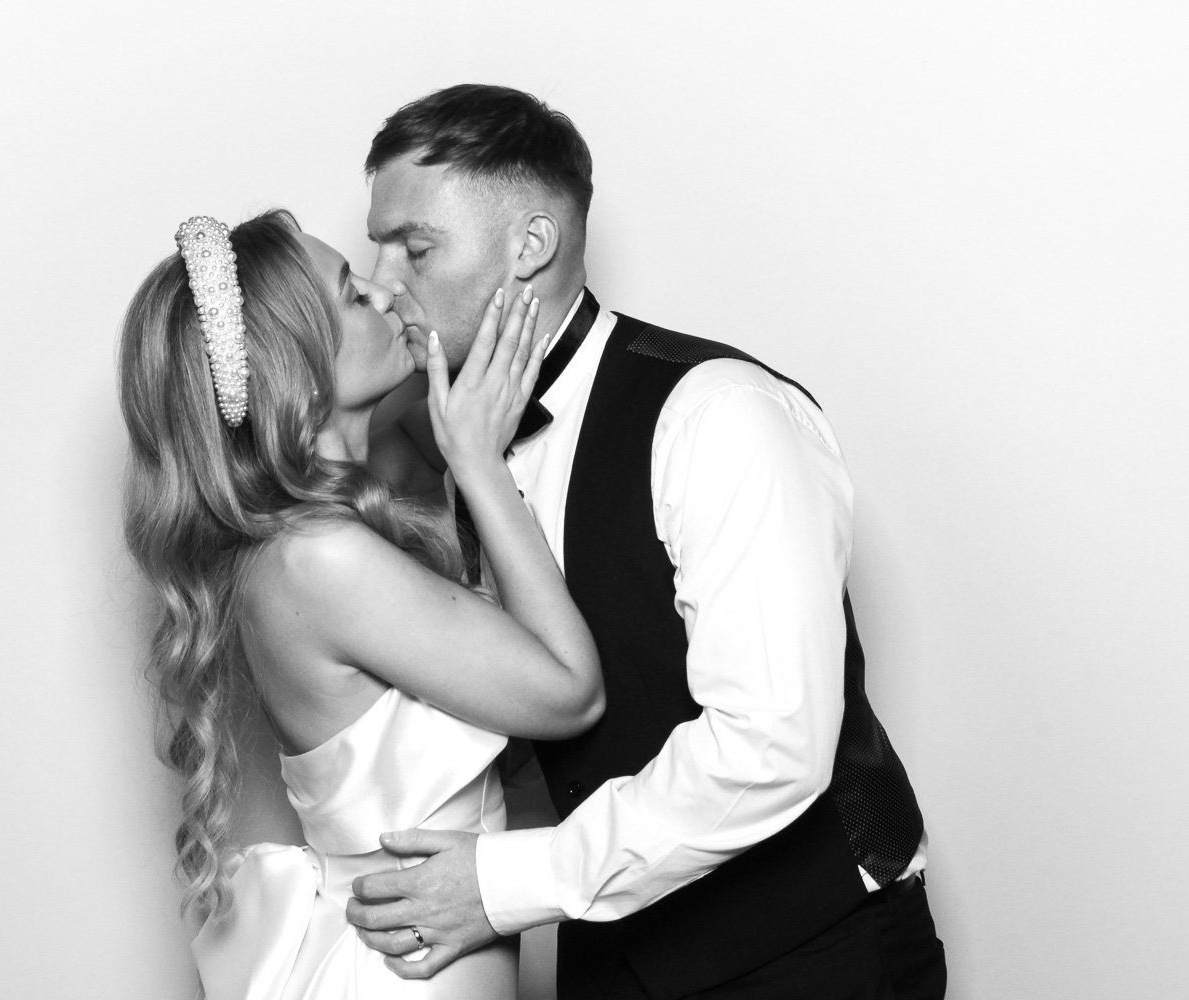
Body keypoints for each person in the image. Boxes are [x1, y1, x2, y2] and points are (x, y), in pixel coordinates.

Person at [345, 85, 947, 999]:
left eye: (415, 248)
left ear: (531, 245)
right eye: (376, 249)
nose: (385, 283)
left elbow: (770, 745)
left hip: (809, 954)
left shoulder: (720, 414)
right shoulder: (453, 438)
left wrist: (503, 884)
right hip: (608, 953)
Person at [117, 209, 603, 999]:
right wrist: (478, 462)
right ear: (298, 370)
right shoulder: (321, 560)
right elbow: (571, 692)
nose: (384, 292)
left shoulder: (304, 538)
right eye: (352, 292)